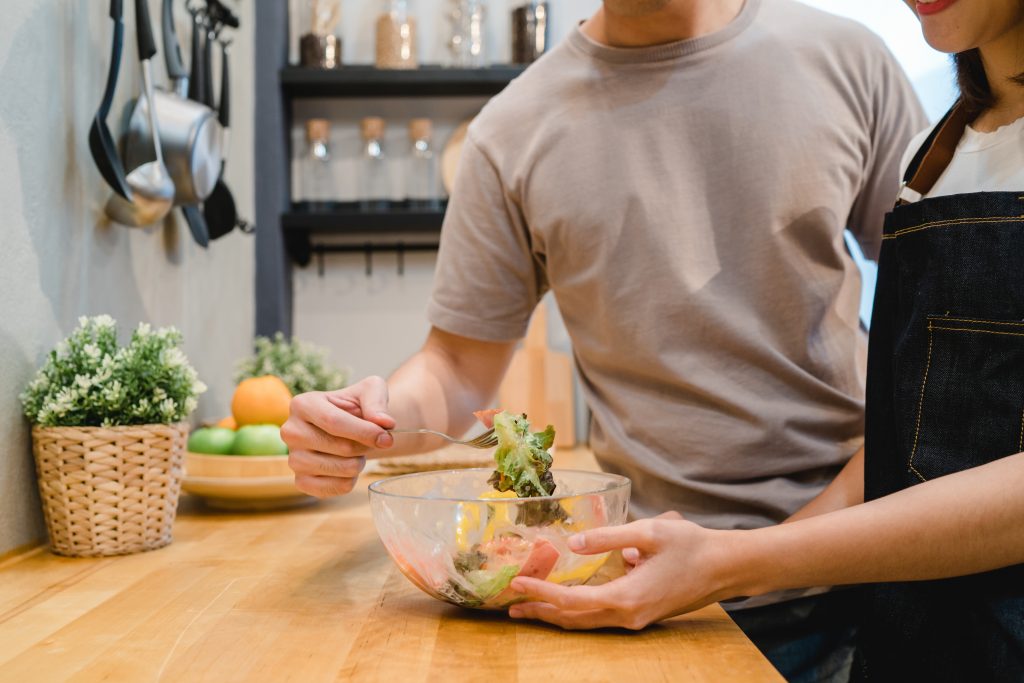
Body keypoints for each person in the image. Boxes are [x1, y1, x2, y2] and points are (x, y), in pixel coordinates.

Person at [282, 0, 925, 679]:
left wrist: (772, 555)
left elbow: (942, 335)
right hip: (638, 596)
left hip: (856, 578)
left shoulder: (848, 62)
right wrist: (372, 419)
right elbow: (456, 365)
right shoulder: (512, 130)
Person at [505, 0, 1024, 679]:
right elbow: (907, 441)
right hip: (911, 636)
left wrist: (740, 561)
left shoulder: (852, 73)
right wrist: (741, 565)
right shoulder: (933, 160)